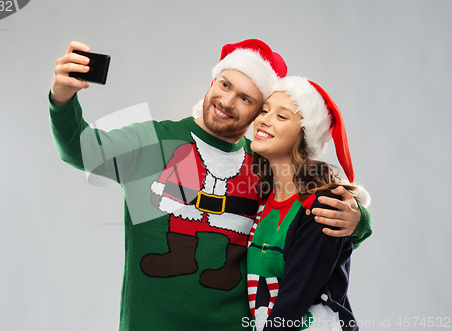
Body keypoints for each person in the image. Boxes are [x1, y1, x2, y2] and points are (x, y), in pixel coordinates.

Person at [49, 39, 372, 330]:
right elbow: (82, 150)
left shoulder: (263, 164)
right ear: (212, 81)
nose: (228, 101)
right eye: (225, 84)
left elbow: (310, 216)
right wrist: (61, 100)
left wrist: (358, 220)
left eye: (245, 98)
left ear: (256, 113)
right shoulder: (154, 139)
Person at [247, 76, 369, 331]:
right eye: (265, 110)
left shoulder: (323, 207)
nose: (264, 119)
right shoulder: (262, 196)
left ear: (304, 137)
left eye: (282, 117)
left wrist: (361, 220)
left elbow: (293, 303)